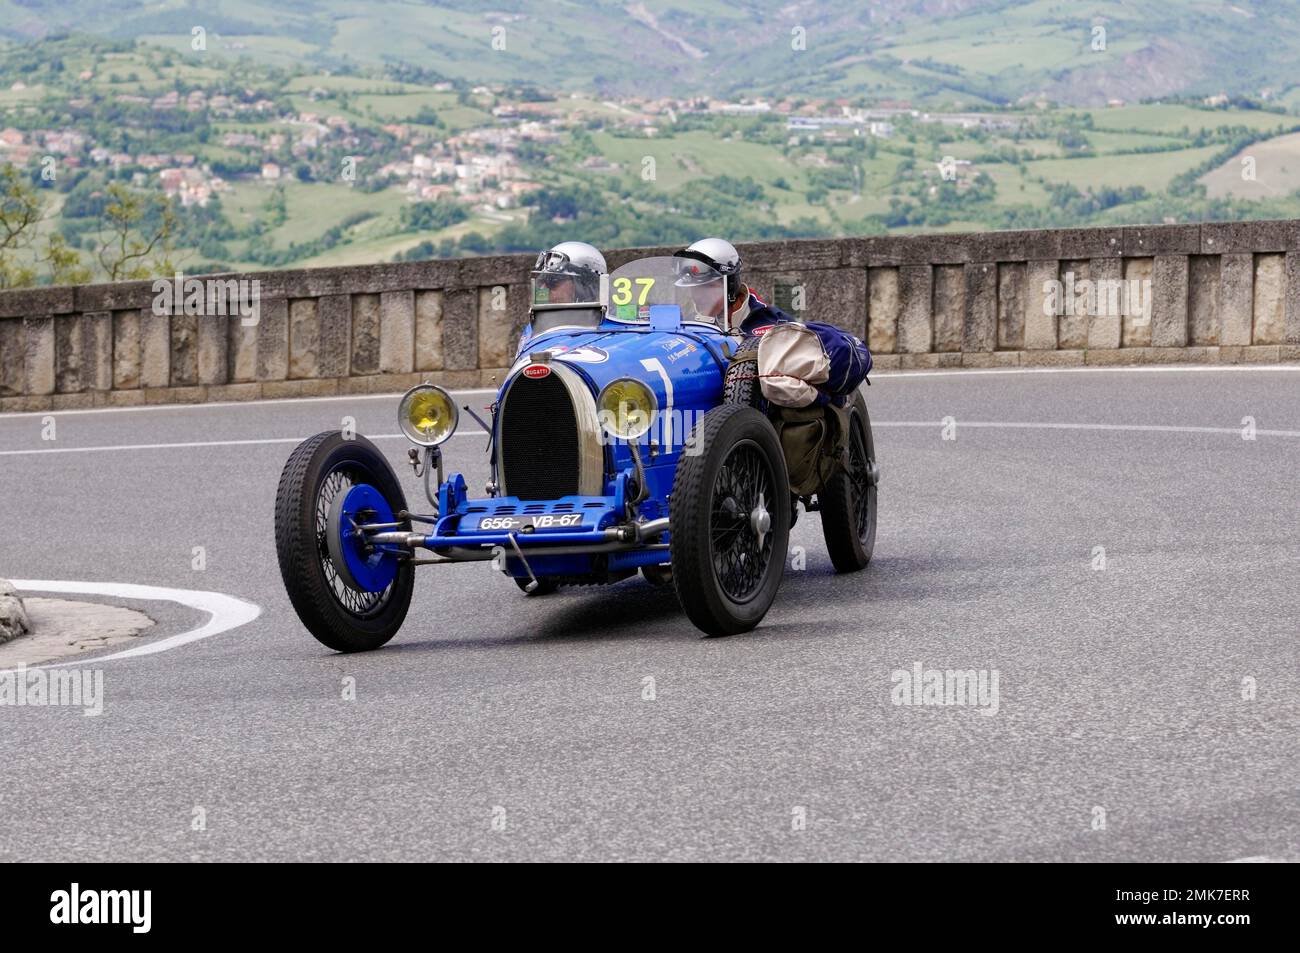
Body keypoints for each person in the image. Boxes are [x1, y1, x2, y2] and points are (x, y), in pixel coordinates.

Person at [672, 237, 794, 336]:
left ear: (730, 285)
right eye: (694, 287)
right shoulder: (683, 325)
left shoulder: (775, 324)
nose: (698, 296)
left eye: (707, 287)